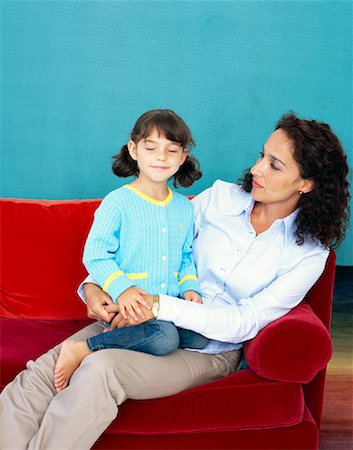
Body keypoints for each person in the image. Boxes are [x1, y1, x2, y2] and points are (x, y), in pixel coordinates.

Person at [0, 113, 349, 450]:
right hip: (144, 317)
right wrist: (94, 286)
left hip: (206, 346)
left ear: (306, 183)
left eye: (275, 165)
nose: (256, 169)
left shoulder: (307, 253)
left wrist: (159, 306)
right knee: (44, 372)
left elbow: (244, 321)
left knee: (99, 370)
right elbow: (155, 242)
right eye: (262, 155)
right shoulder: (220, 198)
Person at [54, 109, 210, 392]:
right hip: (129, 305)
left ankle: (137, 339)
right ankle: (84, 347)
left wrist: (191, 289)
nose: (161, 157)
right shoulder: (118, 202)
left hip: (168, 305)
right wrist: (123, 290)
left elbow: (186, 256)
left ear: (182, 157)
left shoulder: (184, 207)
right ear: (134, 150)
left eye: (171, 150)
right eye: (151, 148)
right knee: (164, 339)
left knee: (201, 336)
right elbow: (96, 254)